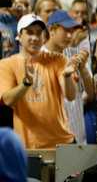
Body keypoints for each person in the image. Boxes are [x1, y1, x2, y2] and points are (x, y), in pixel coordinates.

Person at [0, 14, 80, 148]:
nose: (35, 38)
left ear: (44, 37)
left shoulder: (58, 59)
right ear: (19, 36)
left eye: (39, 33)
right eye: (29, 33)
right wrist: (26, 83)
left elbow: (71, 96)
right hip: (29, 146)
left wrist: (66, 77)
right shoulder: (6, 64)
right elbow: (7, 100)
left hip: (63, 143)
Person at [43, 10, 94, 145]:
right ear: (52, 30)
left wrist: (83, 69)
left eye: (72, 31)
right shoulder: (37, 58)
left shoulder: (76, 54)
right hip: (51, 136)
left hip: (77, 133)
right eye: (65, 31)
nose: (70, 35)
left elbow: (92, 93)